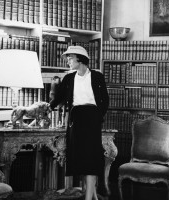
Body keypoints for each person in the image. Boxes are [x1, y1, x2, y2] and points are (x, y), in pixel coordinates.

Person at [49, 45, 109, 200]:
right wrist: (48, 107)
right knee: (81, 159)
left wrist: (98, 116)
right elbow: (59, 97)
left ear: (80, 59)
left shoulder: (97, 76)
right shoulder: (69, 78)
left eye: (70, 57)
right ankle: (93, 196)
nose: (68, 61)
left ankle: (88, 198)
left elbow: (105, 99)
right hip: (75, 120)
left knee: (91, 158)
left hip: (92, 119)